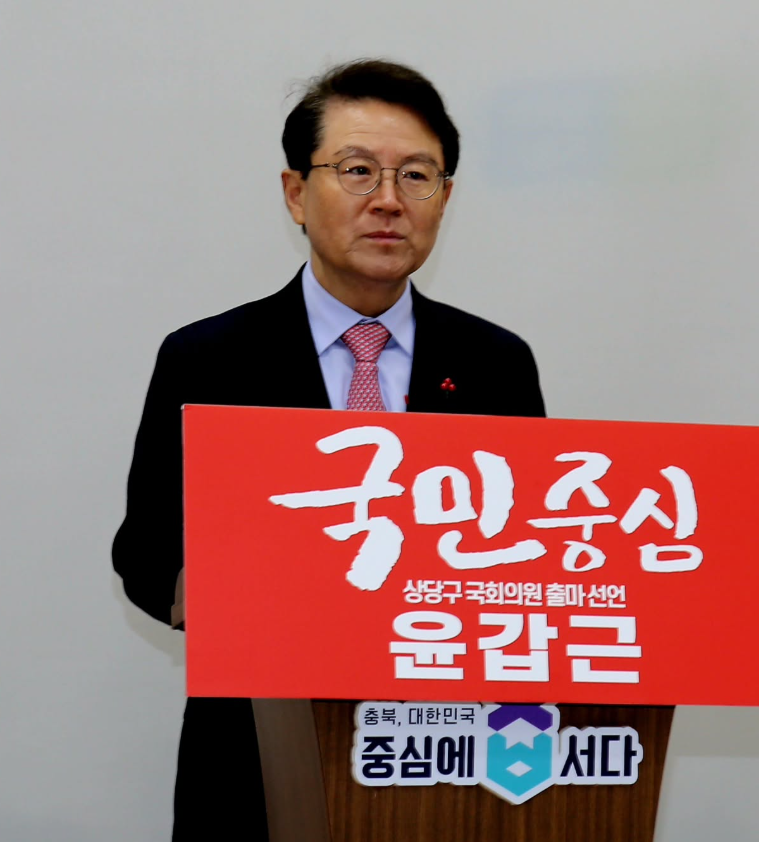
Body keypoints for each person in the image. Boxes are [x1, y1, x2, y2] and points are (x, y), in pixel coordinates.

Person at [113, 58, 545, 840]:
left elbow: (526, 561)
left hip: (444, 761)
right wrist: (223, 592)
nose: (388, 200)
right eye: (356, 170)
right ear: (295, 194)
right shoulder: (208, 360)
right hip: (253, 757)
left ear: (444, 199)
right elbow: (144, 554)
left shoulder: (495, 364)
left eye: (416, 176)